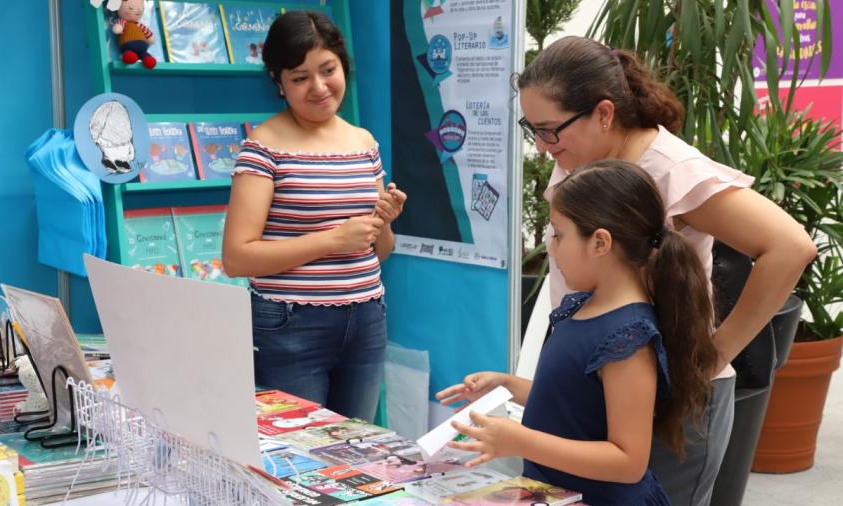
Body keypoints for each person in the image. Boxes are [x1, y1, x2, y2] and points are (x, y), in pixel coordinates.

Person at [512, 36, 816, 505]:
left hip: (671, 407)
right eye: (530, 129)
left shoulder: (672, 170)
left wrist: (711, 356)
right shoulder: (576, 156)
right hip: (600, 388)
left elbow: (790, 246)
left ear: (605, 114)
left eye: (550, 130)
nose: (541, 145)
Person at [439, 160, 718, 505]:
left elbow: (628, 461)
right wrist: (507, 386)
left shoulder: (629, 338)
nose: (551, 248)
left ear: (600, 242)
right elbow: (575, 401)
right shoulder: (587, 305)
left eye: (558, 234)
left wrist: (520, 440)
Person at [222, 10, 407, 422]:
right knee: (295, 459)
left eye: (328, 70)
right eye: (300, 77)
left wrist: (386, 220)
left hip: (366, 319)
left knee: (357, 451)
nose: (319, 87)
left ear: (343, 65)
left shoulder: (363, 144)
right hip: (290, 325)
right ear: (279, 82)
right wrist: (331, 240)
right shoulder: (263, 146)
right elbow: (237, 257)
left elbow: (380, 252)